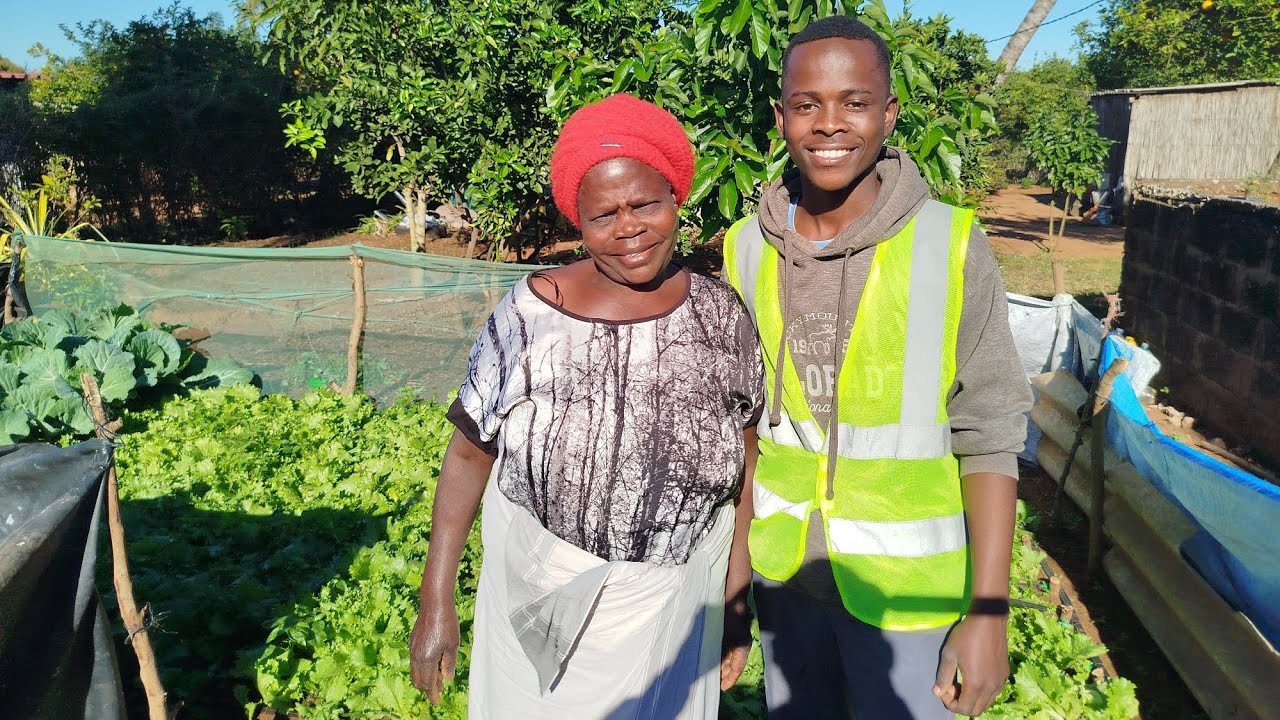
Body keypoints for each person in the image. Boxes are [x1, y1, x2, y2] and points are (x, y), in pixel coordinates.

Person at [409, 93, 764, 719]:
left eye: (645, 204)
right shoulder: (529, 315)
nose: (628, 228)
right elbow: (468, 456)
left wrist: (736, 592)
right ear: (579, 222)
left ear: (676, 198)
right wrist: (436, 601)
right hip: (542, 602)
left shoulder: (720, 316)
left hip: (676, 606)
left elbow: (745, 457)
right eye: (604, 215)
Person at [721, 16, 1033, 720]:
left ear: (889, 113)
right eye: (807, 104)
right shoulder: (745, 249)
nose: (830, 124)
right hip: (785, 578)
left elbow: (989, 432)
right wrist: (735, 583)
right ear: (780, 118)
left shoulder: (949, 244)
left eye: (855, 102)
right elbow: (742, 434)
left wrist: (988, 612)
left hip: (908, 595)